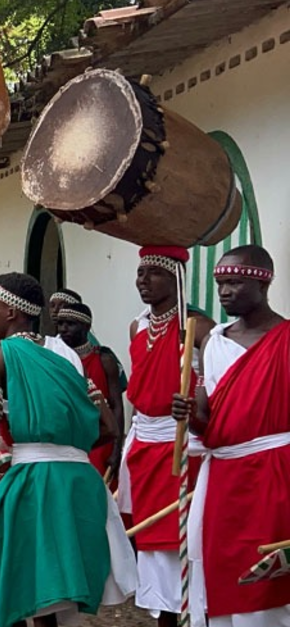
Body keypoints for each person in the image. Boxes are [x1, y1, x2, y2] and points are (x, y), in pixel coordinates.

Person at [0, 272, 134, 627]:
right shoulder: (66, 354)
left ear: (11, 313)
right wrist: (66, 447)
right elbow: (109, 427)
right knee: (60, 594)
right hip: (80, 484)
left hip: (34, 484)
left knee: (27, 591)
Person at [171, 245, 290, 627]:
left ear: (264, 284)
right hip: (223, 478)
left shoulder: (286, 339)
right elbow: (206, 419)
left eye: (234, 283)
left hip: (275, 472)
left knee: (269, 581)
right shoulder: (213, 341)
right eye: (220, 283)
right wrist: (189, 415)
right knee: (223, 572)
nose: (224, 292)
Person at [119, 246, 214, 627]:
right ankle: (163, 615)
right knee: (147, 541)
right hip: (142, 442)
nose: (142, 281)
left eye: (153, 273)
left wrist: (194, 407)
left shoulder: (198, 328)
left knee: (179, 540)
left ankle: (192, 613)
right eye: (139, 273)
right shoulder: (137, 327)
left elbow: (214, 386)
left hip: (181, 443)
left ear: (176, 278)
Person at [55, 301, 125, 480]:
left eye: (70, 324)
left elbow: (116, 406)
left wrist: (116, 449)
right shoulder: (53, 360)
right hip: (64, 441)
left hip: (99, 440)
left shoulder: (104, 360)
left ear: (86, 327)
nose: (63, 329)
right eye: (60, 323)